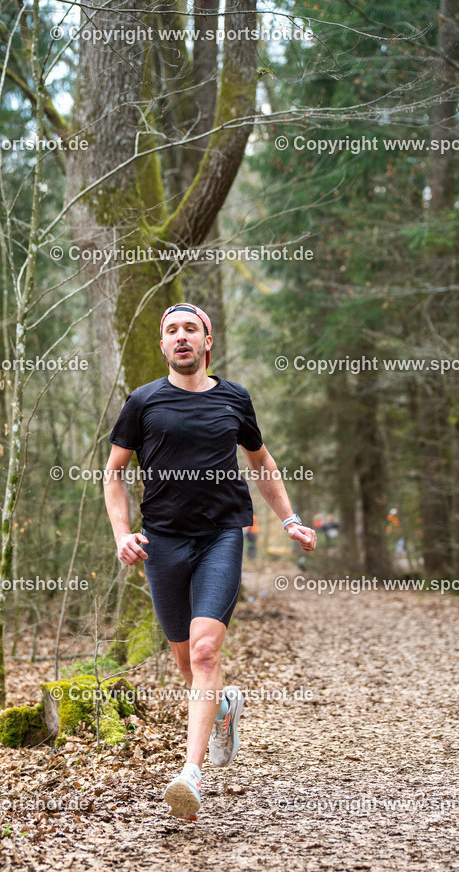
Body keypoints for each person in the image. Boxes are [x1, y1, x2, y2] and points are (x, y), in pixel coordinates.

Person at [103, 302, 316, 821]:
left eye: (190, 329)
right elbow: (114, 473)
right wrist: (122, 534)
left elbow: (260, 462)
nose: (182, 336)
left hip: (221, 536)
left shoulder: (234, 398)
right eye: (172, 330)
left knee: (203, 653)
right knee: (184, 660)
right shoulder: (143, 402)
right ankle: (222, 708)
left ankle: (190, 775)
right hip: (162, 543)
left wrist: (289, 520)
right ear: (162, 344)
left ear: (207, 341)